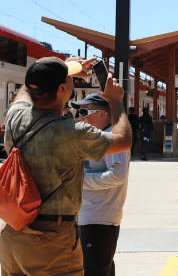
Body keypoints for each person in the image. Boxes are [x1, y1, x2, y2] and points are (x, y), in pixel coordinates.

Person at [0, 56, 131, 276]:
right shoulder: (73, 132)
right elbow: (123, 140)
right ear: (63, 88)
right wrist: (115, 101)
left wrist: (61, 68)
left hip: (12, 234)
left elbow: (27, 88)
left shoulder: (15, 115)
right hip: (51, 240)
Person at [72, 93, 130, 276]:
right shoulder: (100, 137)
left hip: (98, 220)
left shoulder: (110, 137)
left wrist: (78, 179)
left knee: (94, 271)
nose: (79, 117)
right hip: (92, 218)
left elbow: (118, 174)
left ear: (102, 114)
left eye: (84, 111)